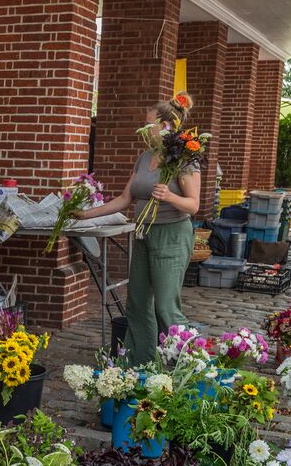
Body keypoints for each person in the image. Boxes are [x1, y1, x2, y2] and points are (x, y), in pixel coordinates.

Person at [75, 94, 200, 364]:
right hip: (143, 234)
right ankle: (139, 363)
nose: (144, 129)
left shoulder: (183, 159)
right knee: (137, 303)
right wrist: (84, 215)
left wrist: (170, 196)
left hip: (172, 236)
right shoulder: (144, 158)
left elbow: (193, 205)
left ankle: (188, 369)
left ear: (167, 126)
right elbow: (124, 199)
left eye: (149, 124)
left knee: (166, 307)